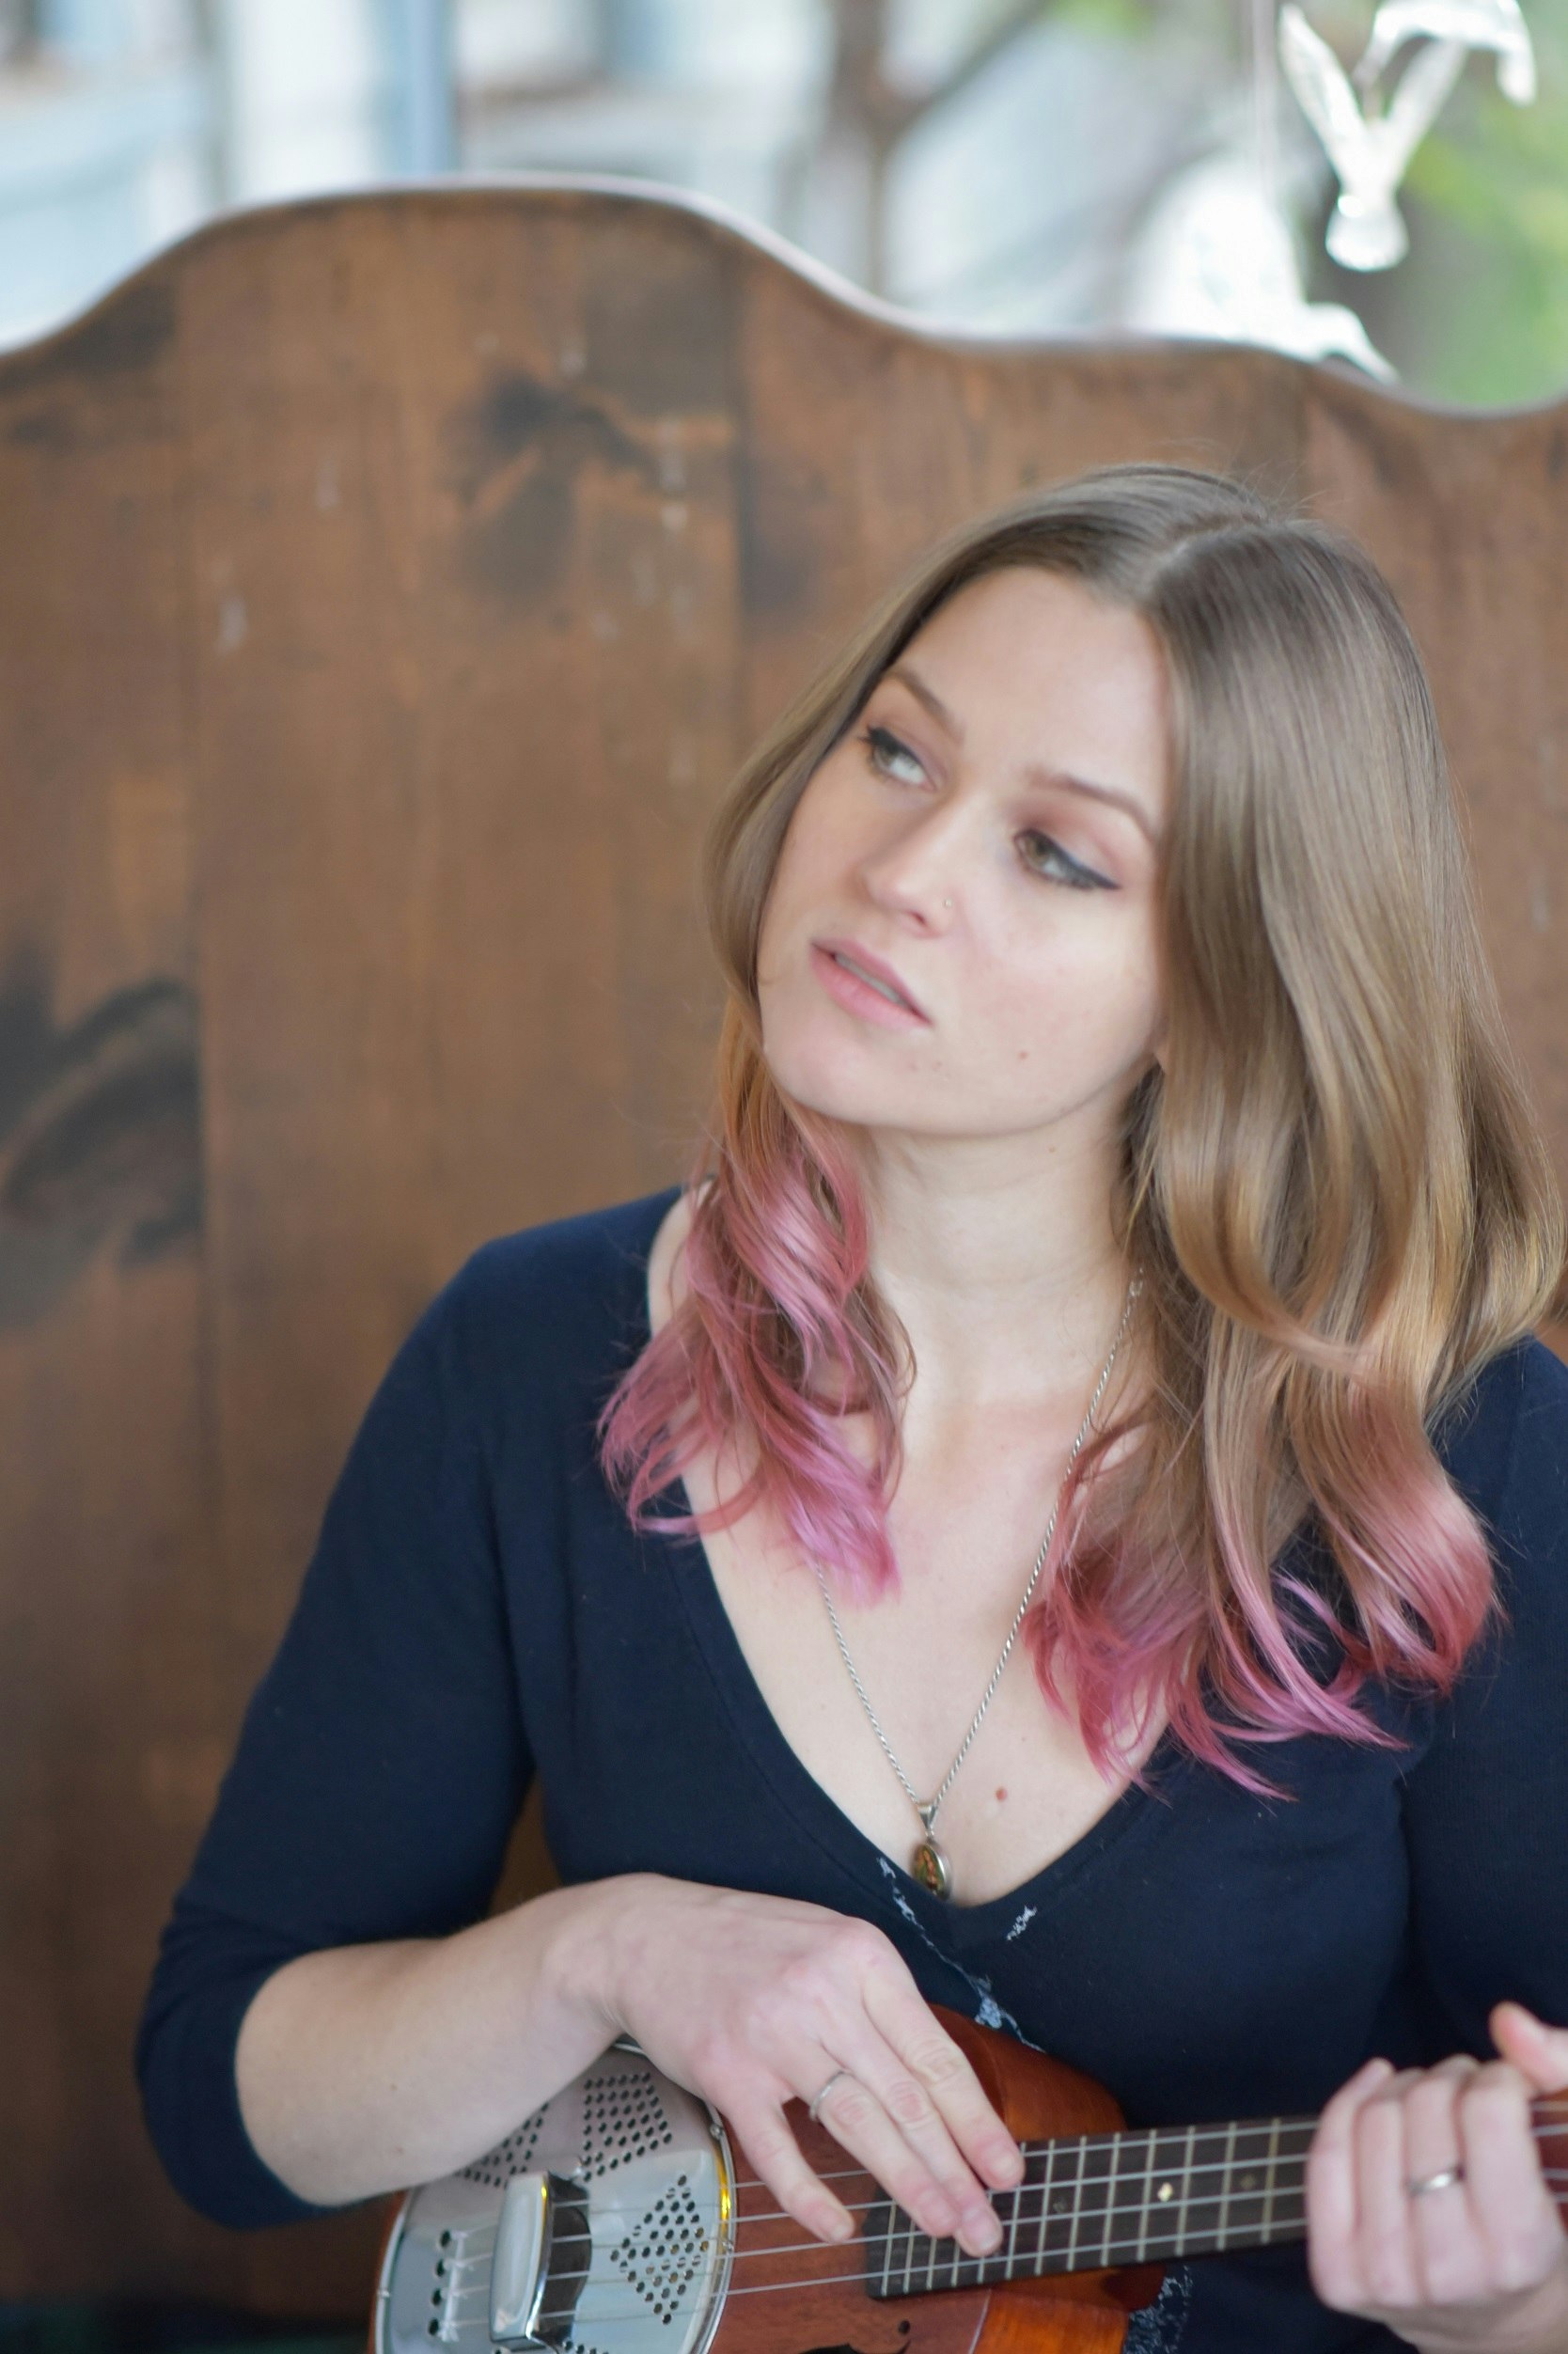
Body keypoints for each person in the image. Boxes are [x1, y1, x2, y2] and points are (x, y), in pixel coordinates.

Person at [137, 463, 1568, 2354]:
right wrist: (598, 1952)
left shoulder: (1458, 1456)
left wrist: (1507, 2309)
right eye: (897, 750)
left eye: (1059, 854)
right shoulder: (530, 1352)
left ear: (1226, 991)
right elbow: (226, 2098)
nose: (901, 869)